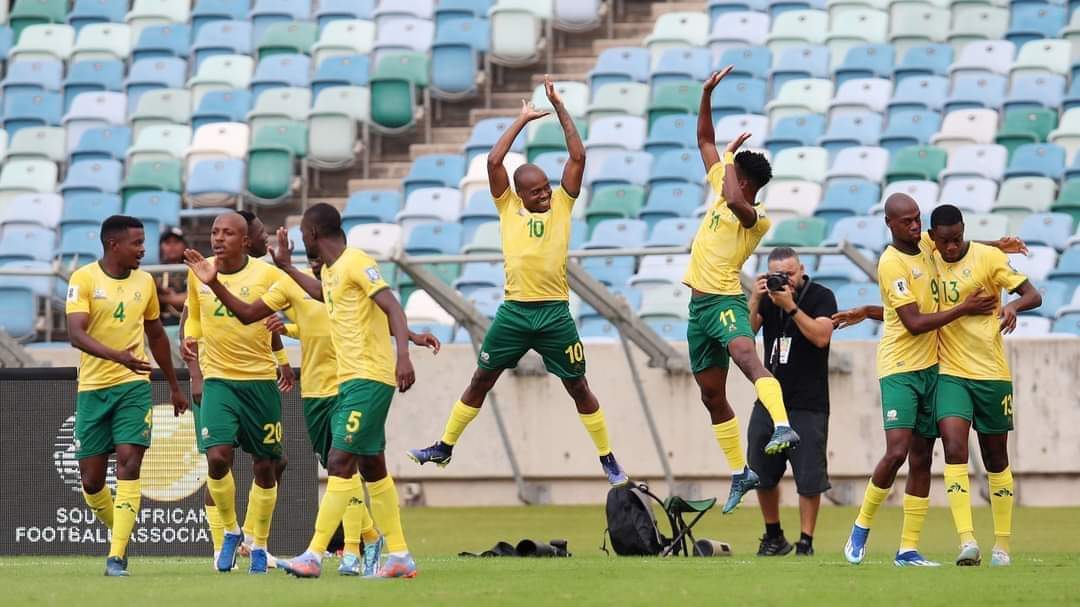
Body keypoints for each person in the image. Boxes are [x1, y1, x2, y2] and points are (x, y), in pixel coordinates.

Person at [185, 204, 438, 579]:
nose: (299, 239)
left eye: (302, 233)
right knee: (371, 466)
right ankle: (397, 552)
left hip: (367, 378)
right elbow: (275, 309)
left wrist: (404, 353)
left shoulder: (355, 262)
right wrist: (278, 271)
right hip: (338, 384)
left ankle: (317, 554)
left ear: (314, 234)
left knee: (340, 463)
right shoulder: (330, 275)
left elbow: (390, 305)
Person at [405, 75, 629, 487]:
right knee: (481, 378)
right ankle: (445, 446)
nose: (545, 195)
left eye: (546, 188)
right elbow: (494, 162)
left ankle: (608, 458)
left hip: (554, 314)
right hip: (514, 313)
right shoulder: (507, 208)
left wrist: (559, 107)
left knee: (578, 386)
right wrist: (522, 120)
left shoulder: (562, 205)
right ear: (519, 194)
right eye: (536, 191)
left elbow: (578, 156)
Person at [838, 194, 1003, 567]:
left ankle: (907, 549)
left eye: (917, 219)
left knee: (922, 458)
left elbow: (956, 245)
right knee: (897, 452)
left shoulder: (927, 244)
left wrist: (997, 246)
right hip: (899, 368)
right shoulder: (891, 263)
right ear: (889, 224)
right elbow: (912, 323)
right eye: (906, 221)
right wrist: (963, 308)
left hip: (933, 368)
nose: (915, 226)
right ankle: (861, 526)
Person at [682, 67, 794, 515]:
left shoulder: (756, 218)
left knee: (748, 359)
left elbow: (733, 199)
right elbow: (704, 140)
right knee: (711, 395)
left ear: (744, 182)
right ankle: (740, 472)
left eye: (731, 173)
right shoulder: (723, 186)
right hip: (697, 309)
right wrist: (706, 93)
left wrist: (729, 158)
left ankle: (782, 425)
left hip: (724, 301)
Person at [65, 215, 189, 576]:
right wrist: (117, 355)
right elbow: (75, 334)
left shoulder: (145, 282)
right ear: (113, 244)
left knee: (129, 464)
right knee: (91, 482)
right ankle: (121, 532)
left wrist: (174, 385)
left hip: (134, 386)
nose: (143, 249)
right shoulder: (84, 279)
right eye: (136, 243)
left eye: (143, 242)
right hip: (93, 388)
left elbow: (157, 335)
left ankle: (116, 557)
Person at [926, 205, 1040, 567]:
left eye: (957, 239)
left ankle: (1002, 546)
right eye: (944, 241)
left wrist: (1015, 307)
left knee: (995, 458)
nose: (950, 248)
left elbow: (1034, 294)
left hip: (992, 374)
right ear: (932, 238)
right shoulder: (926, 257)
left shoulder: (989, 258)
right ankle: (967, 541)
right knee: (954, 447)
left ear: (964, 231)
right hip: (951, 372)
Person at [181, 212, 294, 570]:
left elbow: (281, 316)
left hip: (259, 381)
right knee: (217, 457)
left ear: (245, 241)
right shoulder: (198, 271)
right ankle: (230, 531)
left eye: (227, 233)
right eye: (215, 232)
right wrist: (191, 348)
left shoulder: (267, 276)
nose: (218, 238)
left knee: (267, 466)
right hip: (219, 379)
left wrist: (282, 355)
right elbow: (194, 317)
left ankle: (258, 544)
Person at [747, 247, 837, 557]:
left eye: (788, 274)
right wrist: (755, 299)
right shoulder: (768, 298)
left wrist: (792, 308)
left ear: (802, 270)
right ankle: (773, 535)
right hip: (770, 399)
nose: (783, 280)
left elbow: (822, 337)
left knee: (809, 478)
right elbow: (746, 336)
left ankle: (805, 541)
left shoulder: (821, 296)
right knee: (761, 470)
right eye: (777, 275)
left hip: (809, 402)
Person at [158, 226, 188, 325]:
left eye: (176, 242)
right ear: (161, 247)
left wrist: (161, 298)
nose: (172, 246)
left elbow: (191, 299)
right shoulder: (155, 272)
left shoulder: (192, 270)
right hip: (163, 325)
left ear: (184, 245)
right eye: (167, 243)